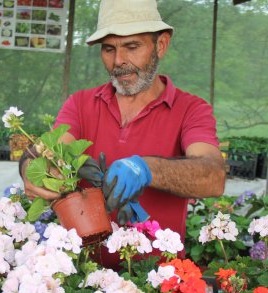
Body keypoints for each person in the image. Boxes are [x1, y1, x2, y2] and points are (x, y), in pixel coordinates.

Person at [19, 0, 226, 268]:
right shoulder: (81, 104)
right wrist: (30, 169)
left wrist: (147, 169)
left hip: (155, 279)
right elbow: (46, 151)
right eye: (109, 49)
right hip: (79, 274)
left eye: (132, 46)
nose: (119, 61)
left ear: (161, 45)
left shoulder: (191, 109)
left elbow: (213, 176)